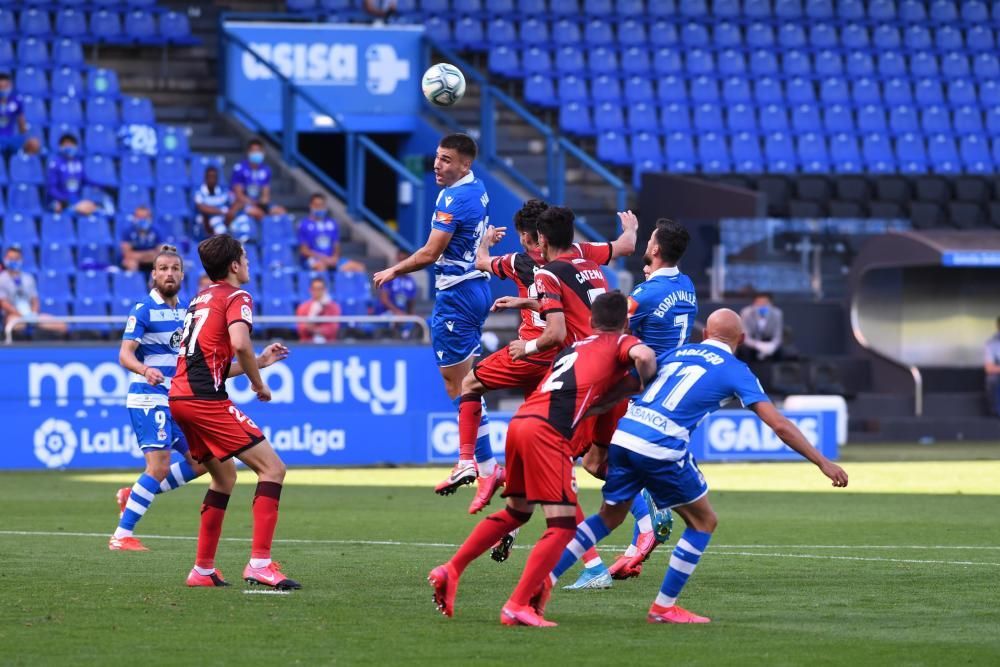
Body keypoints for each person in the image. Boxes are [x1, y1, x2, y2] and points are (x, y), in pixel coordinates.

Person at [543, 308, 849, 625]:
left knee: (609, 516)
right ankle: (663, 608)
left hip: (625, 434)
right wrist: (823, 462)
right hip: (661, 444)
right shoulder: (735, 369)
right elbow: (779, 425)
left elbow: (624, 387)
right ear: (741, 340)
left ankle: (544, 582)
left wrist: (578, 415)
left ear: (705, 335)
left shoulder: (678, 352)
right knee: (703, 521)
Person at [428, 291, 657, 627]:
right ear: (624, 323)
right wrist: (644, 380)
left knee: (517, 512)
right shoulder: (619, 342)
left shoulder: (576, 347)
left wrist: (625, 389)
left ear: (591, 321)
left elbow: (599, 398)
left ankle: (451, 569)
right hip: (547, 433)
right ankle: (517, 605)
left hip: (521, 424)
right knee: (563, 526)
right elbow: (646, 356)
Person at [459, 200, 636, 518]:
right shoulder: (583, 252)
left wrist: (485, 243)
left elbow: (482, 263)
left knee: (546, 451)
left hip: (548, 355)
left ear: (533, 237)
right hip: (585, 362)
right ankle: (517, 513)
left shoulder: (519, 262)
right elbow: (624, 247)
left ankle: (477, 467)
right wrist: (632, 229)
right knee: (589, 461)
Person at [373, 133, 501, 500]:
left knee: (458, 386)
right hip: (476, 287)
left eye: (446, 159)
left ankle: (475, 463)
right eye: (437, 157)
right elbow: (468, 237)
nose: (437, 164)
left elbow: (431, 252)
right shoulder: (477, 188)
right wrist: (485, 243)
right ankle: (487, 467)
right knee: (467, 383)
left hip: (457, 294)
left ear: (465, 164)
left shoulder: (453, 197)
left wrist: (392, 271)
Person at [169, 234, 299, 589]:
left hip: (180, 399)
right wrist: (259, 384)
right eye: (245, 256)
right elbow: (239, 342)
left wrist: (258, 363)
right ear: (234, 266)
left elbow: (212, 363)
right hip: (204, 400)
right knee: (273, 468)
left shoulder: (200, 300)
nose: (248, 262)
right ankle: (259, 563)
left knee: (224, 478)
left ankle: (203, 570)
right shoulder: (237, 296)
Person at [589, 217, 699, 584]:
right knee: (635, 466)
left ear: (654, 249)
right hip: (674, 390)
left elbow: (612, 329)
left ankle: (648, 522)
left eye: (649, 240)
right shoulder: (687, 285)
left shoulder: (647, 295)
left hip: (645, 389)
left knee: (597, 460)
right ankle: (639, 545)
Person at [0, 246, 67, 336]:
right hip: (13, 315)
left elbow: (35, 299)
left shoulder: (28, 278)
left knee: (61, 326)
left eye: (16, 259)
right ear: (5, 259)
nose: (13, 261)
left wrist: (33, 314)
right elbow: (3, 303)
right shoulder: (1, 279)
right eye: (11, 258)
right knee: (18, 325)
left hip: (31, 314)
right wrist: (21, 315)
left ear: (21, 260)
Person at [230, 138, 285, 222]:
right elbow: (239, 195)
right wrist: (253, 204)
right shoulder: (240, 168)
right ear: (248, 153)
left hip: (258, 203)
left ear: (263, 153)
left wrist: (263, 204)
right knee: (259, 214)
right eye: (253, 151)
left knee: (281, 212)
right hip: (242, 203)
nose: (256, 153)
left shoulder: (266, 170)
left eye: (258, 151)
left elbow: (265, 194)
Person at [374, 249, 417, 339]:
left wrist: (413, 316)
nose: (402, 264)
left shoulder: (410, 281)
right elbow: (384, 299)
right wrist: (396, 312)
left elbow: (411, 304)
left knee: (416, 322)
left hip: (402, 314)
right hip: (385, 313)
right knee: (397, 320)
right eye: (400, 260)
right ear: (397, 259)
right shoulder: (388, 277)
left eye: (405, 260)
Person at [298, 193, 342, 272]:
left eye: (322, 205)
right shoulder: (304, 224)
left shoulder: (332, 223)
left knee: (357, 267)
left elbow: (336, 246)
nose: (319, 208)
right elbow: (304, 250)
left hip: (331, 258)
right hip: (312, 259)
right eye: (316, 205)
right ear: (311, 206)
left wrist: (335, 257)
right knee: (321, 267)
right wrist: (324, 259)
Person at [193, 166, 240, 240]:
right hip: (205, 224)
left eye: (214, 177)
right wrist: (223, 212)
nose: (212, 179)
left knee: (240, 221)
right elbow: (202, 207)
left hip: (224, 221)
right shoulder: (199, 192)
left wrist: (231, 212)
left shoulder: (223, 191)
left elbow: (237, 202)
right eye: (210, 176)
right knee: (218, 225)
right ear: (205, 178)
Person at [0, 71, 40, 156]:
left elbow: (22, 123)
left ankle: (24, 167)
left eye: (5, 86)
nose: (3, 89)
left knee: (34, 143)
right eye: (0, 87)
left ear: (10, 86)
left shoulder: (16, 100)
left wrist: (28, 137)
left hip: (11, 138)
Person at [739, 292, 786, 361]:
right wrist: (757, 345)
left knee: (780, 351)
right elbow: (746, 337)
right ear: (754, 303)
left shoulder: (777, 313)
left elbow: (778, 336)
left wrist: (772, 345)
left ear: (770, 303)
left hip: (769, 342)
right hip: (752, 343)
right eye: (759, 302)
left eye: (765, 302)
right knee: (744, 350)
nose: (762, 305)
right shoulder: (746, 313)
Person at [118, 205, 165, 273]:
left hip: (151, 260)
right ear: (134, 218)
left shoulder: (156, 231)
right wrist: (148, 254)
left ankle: (158, 283)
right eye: (139, 217)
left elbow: (160, 253)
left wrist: (138, 255)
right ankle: (136, 283)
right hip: (134, 260)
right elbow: (127, 254)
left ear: (150, 218)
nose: (142, 220)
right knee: (130, 263)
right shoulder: (128, 231)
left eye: (145, 217)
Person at [296, 277, 341, 343]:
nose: (317, 292)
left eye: (320, 289)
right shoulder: (303, 307)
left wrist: (314, 329)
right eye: (315, 289)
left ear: (325, 290)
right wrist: (313, 314)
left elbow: (332, 330)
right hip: (307, 344)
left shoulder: (334, 307)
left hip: (328, 345)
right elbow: (301, 330)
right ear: (310, 290)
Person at [984, 316, 1000, 416]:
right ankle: (996, 413)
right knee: (992, 379)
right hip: (998, 374)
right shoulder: (991, 343)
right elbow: (989, 368)